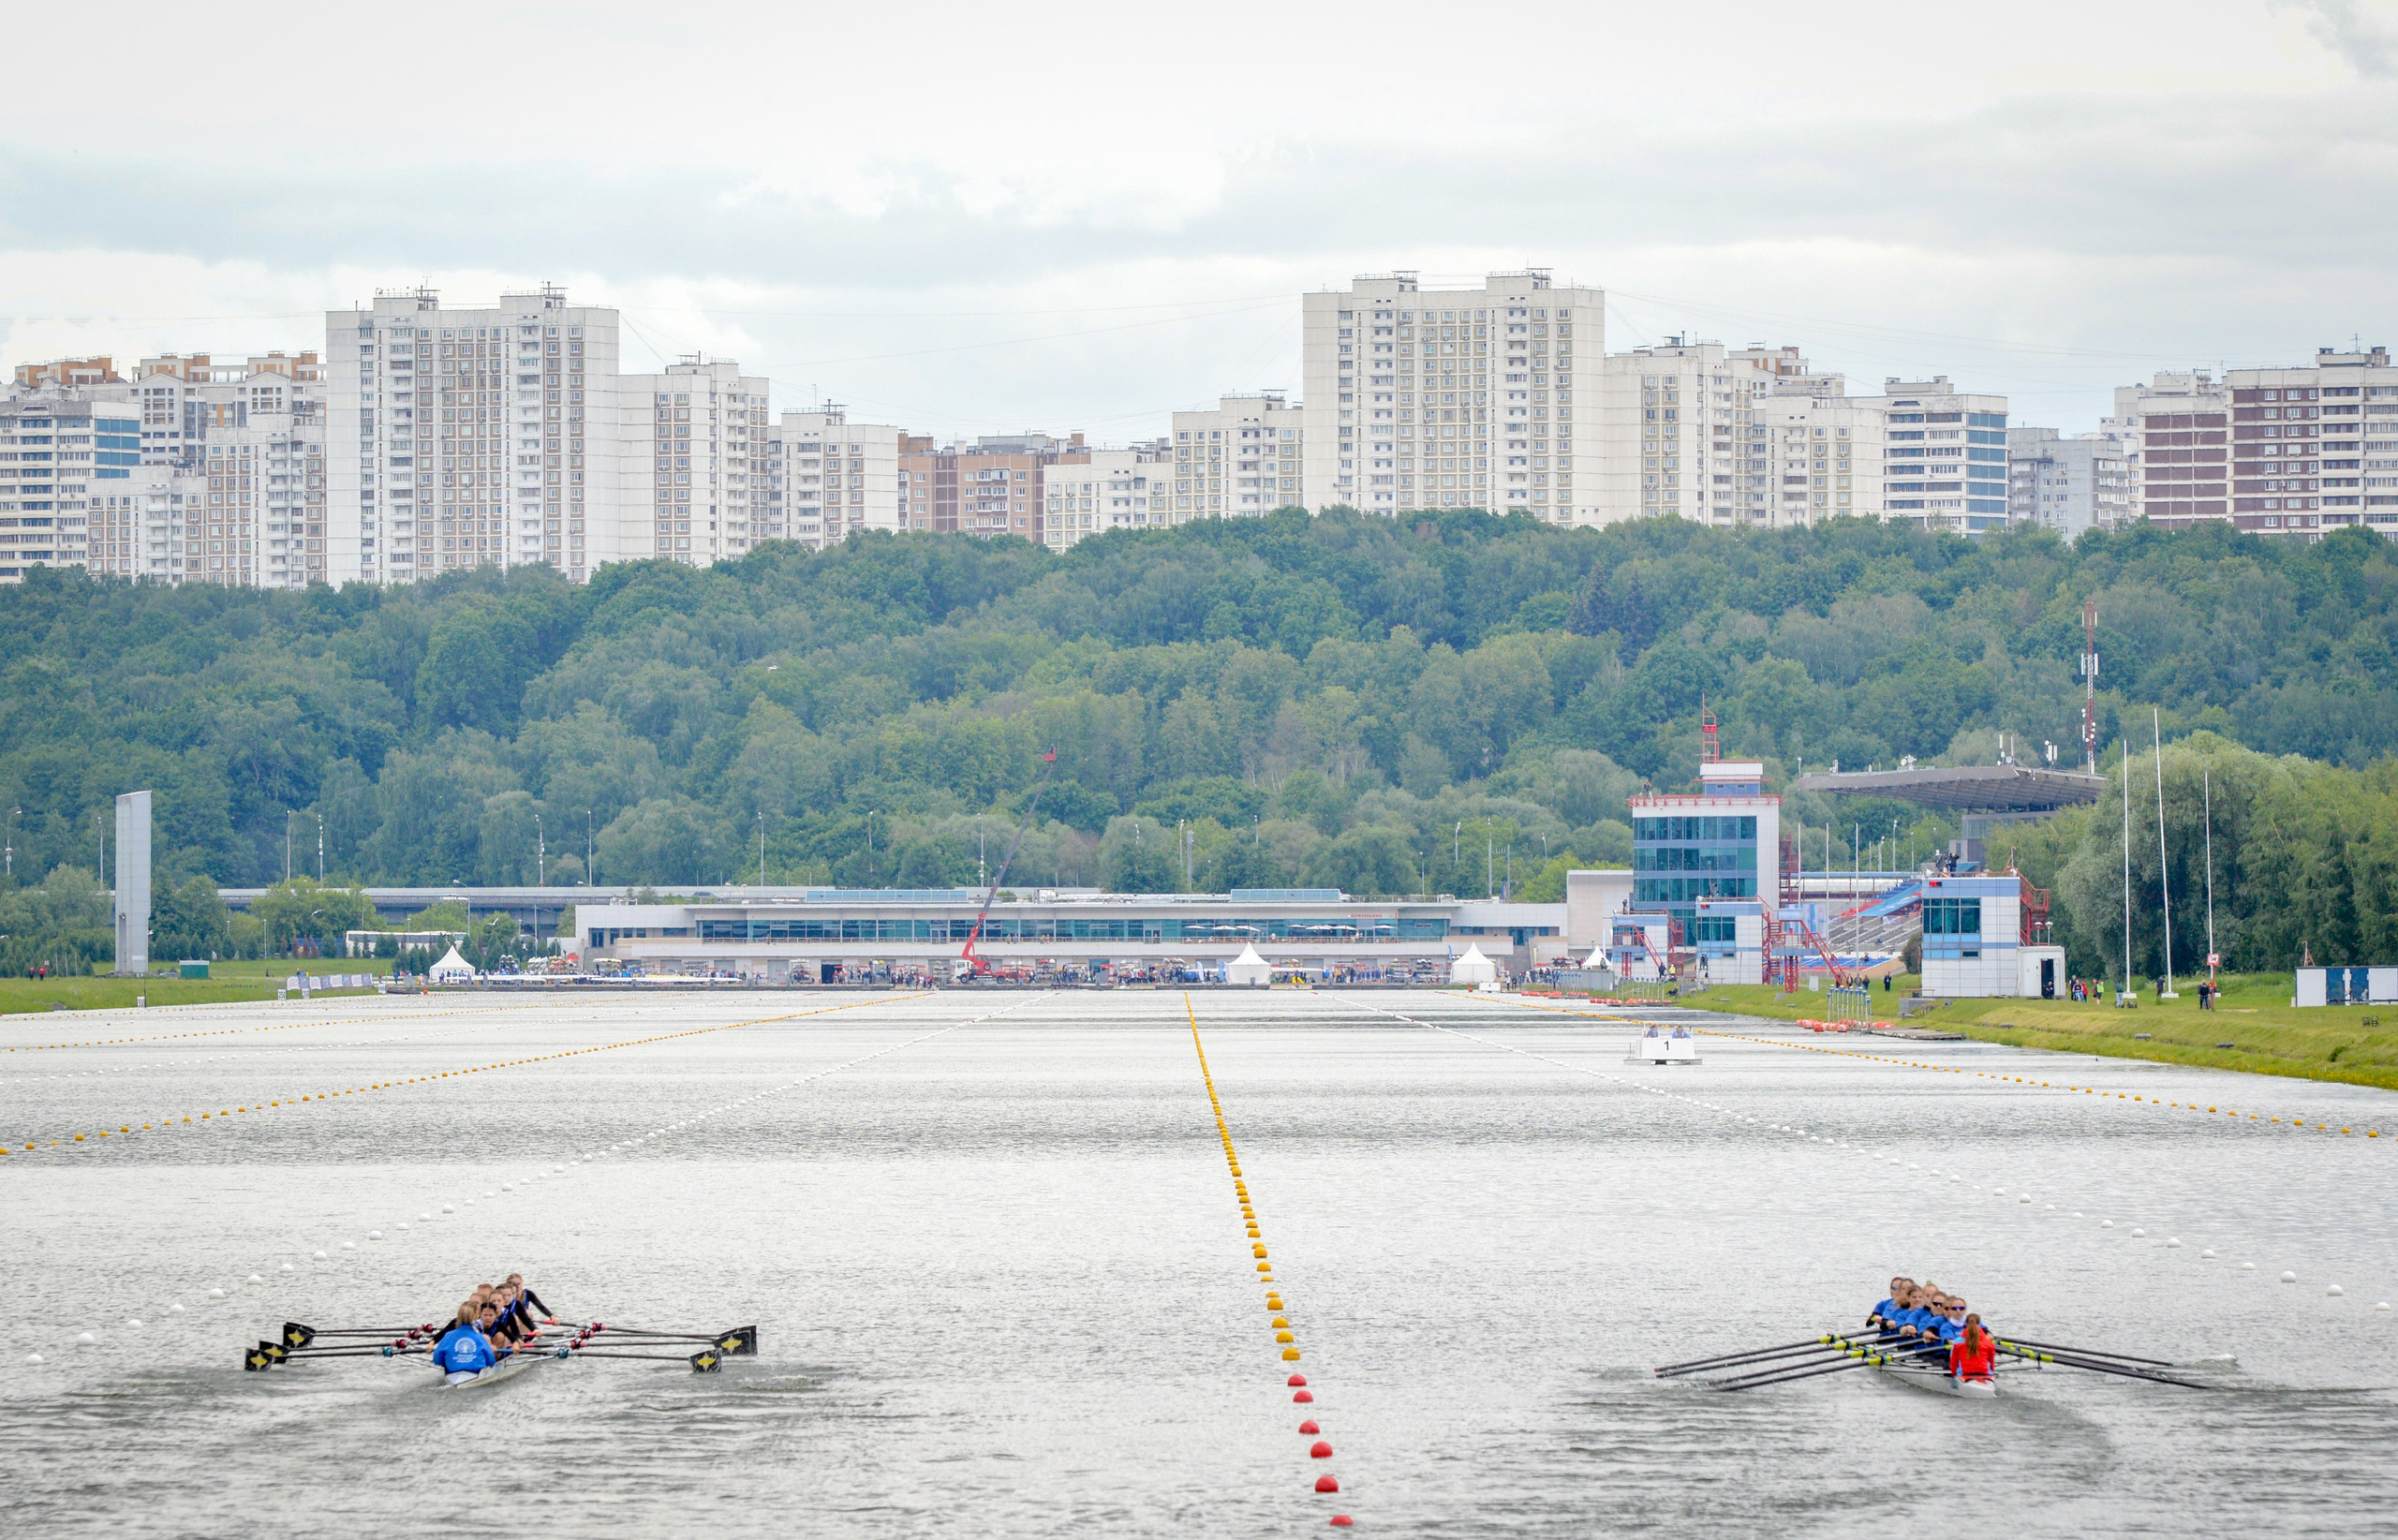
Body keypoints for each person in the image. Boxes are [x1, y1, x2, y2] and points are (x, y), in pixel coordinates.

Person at [430, 1301, 506, 1385]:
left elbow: (437, 1359)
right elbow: (491, 1361)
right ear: (476, 1316)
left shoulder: (448, 1335)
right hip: (475, 1372)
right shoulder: (480, 1337)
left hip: (452, 1372)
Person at [1948, 1311, 1997, 1383]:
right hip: (1986, 1374)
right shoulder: (1988, 1342)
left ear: (1965, 1325)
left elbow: (1953, 1363)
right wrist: (1992, 1373)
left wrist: (1953, 1375)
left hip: (1964, 1374)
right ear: (1980, 1325)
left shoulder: (1957, 1342)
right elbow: (1992, 1362)